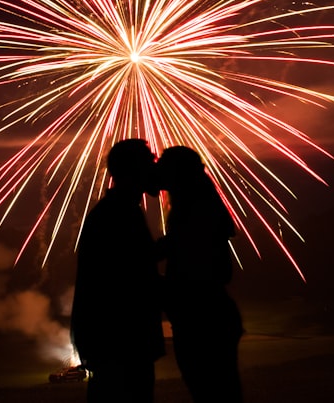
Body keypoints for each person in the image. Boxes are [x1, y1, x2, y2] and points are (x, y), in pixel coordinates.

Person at [70, 138, 165, 403]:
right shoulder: (119, 214)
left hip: (112, 343)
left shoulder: (115, 211)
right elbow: (131, 277)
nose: (155, 169)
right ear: (135, 170)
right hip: (122, 344)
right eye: (150, 163)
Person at [156, 145, 244, 402]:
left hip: (202, 318)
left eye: (164, 166)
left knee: (211, 391)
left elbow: (187, 262)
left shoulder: (195, 214)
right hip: (210, 315)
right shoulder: (203, 207)